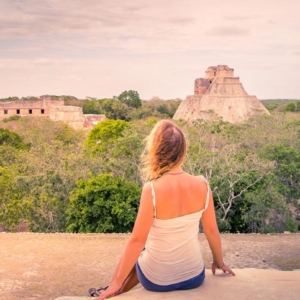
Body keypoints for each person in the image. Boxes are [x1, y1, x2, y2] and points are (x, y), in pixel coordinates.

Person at [93, 120, 235, 299]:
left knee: (141, 250)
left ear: (156, 151)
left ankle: (116, 288)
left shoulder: (152, 189)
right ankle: (116, 287)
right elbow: (211, 230)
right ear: (183, 150)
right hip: (194, 277)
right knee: (146, 250)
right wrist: (219, 262)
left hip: (156, 281)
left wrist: (116, 281)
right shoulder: (202, 185)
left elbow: (137, 241)